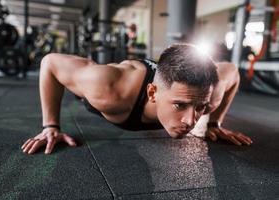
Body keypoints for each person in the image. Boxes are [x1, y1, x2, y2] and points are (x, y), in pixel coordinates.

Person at [21, 43, 252, 155]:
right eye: (180, 105)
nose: (191, 121)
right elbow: (49, 62)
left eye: (200, 107)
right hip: (122, 83)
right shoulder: (108, 89)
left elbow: (231, 70)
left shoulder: (210, 95)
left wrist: (214, 122)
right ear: (153, 93)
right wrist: (50, 126)